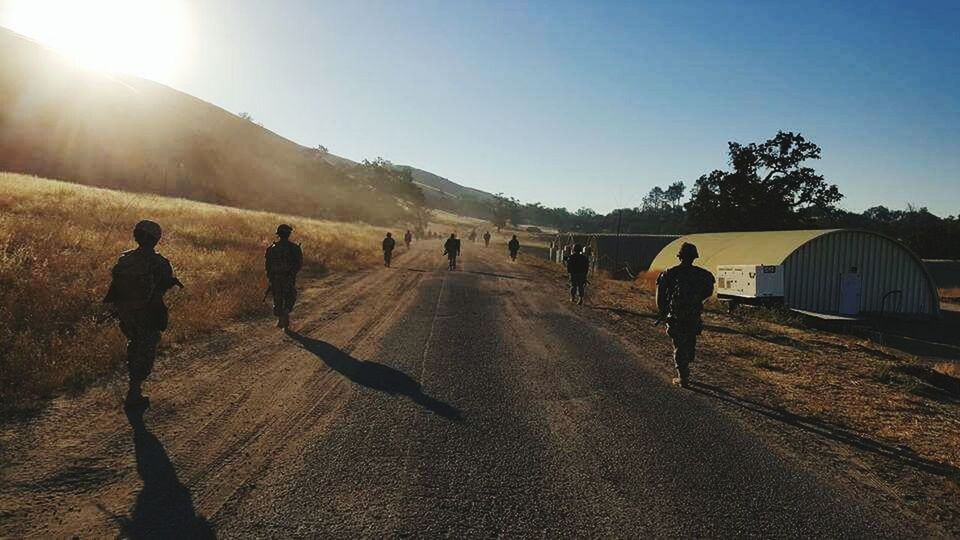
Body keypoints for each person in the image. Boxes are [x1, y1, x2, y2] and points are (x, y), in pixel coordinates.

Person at [103, 220, 183, 409]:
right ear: (156, 240)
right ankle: (134, 392)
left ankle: (134, 388)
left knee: (134, 345)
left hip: (126, 313)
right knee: (145, 352)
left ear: (136, 236)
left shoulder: (124, 259)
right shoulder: (161, 263)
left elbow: (116, 286)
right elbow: (162, 288)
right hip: (148, 313)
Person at [655, 242, 715, 388]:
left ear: (680, 257)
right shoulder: (703, 274)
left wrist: (663, 311)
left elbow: (660, 295)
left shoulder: (670, 273)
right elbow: (708, 292)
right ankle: (685, 369)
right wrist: (695, 301)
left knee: (679, 345)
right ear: (694, 257)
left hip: (676, 316)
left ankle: (683, 377)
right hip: (693, 315)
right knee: (689, 343)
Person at [265, 224, 303, 330]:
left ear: (278, 234)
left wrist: (270, 277)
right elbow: (299, 264)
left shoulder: (271, 249)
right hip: (288, 278)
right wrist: (292, 274)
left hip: (275, 278)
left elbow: (268, 265)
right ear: (289, 234)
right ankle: (286, 312)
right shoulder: (295, 248)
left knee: (277, 298)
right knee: (290, 296)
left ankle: (281, 317)